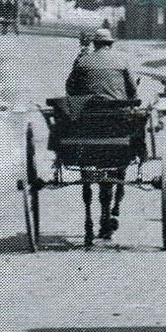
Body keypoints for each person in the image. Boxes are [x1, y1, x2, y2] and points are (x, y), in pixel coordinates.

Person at [64, 27, 135, 239]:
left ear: (95, 45)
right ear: (111, 44)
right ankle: (107, 215)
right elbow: (132, 92)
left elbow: (70, 88)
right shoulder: (122, 61)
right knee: (117, 161)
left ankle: (90, 217)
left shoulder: (83, 62)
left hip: (88, 123)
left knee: (86, 159)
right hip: (116, 123)